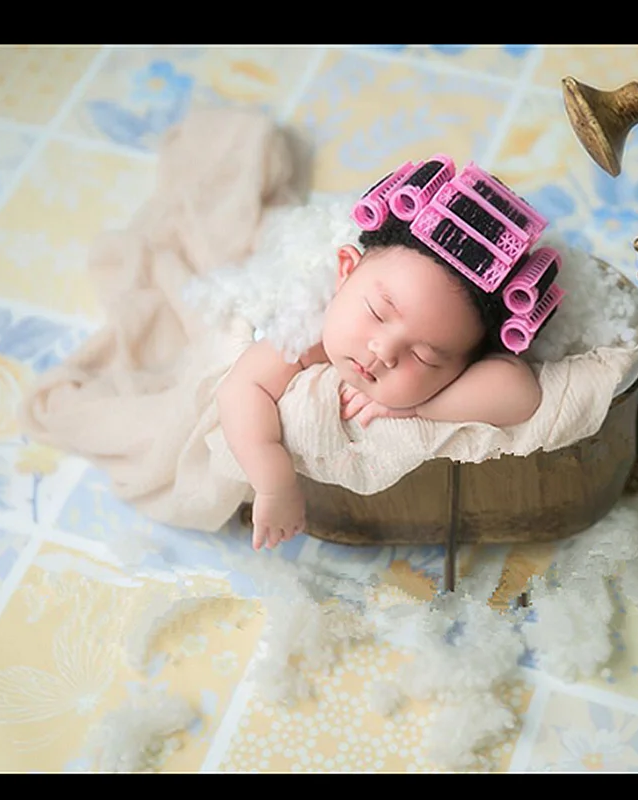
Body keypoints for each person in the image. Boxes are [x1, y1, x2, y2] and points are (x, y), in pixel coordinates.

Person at [217, 156, 563, 551]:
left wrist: (417, 408)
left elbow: (520, 393)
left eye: (425, 358)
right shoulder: (310, 327)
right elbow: (241, 389)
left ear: (467, 364)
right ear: (346, 270)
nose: (383, 351)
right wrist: (274, 483)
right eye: (378, 313)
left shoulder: (464, 356)